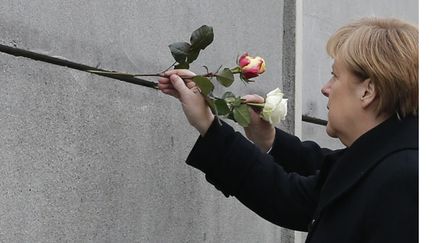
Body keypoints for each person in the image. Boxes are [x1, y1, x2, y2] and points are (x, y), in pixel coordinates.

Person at [158, 17, 418, 243]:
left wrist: (210, 127)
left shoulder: (405, 178)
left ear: (367, 91)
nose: (325, 89)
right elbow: (295, 194)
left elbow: (296, 196)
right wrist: (264, 138)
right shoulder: (384, 160)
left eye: (335, 76)